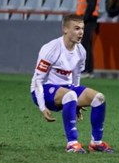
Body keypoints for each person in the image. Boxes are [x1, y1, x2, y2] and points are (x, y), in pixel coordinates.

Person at [30, 14, 113, 153]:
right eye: (76, 28)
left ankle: (96, 142)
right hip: (43, 91)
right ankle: (72, 144)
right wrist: (42, 107)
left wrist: (77, 103)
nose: (80, 32)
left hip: (67, 90)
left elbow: (76, 76)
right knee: (70, 95)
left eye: (82, 28)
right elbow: (37, 80)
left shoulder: (81, 51)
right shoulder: (51, 49)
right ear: (65, 30)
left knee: (99, 98)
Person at [76, 0, 99, 78]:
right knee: (86, 46)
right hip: (86, 20)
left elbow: (91, 6)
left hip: (88, 21)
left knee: (85, 46)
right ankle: (89, 70)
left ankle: (86, 70)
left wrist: (84, 20)